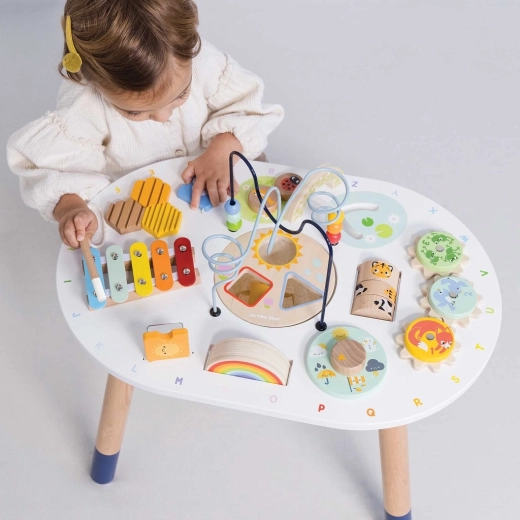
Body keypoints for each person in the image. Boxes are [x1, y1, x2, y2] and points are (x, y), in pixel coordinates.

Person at [6, 0, 283, 247]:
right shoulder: (84, 104)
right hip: (145, 210)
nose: (163, 117)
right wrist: (71, 208)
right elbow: (52, 170)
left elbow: (246, 106)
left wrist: (222, 149)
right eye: (134, 112)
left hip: (221, 175)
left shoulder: (200, 61)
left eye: (181, 95)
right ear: (94, 82)